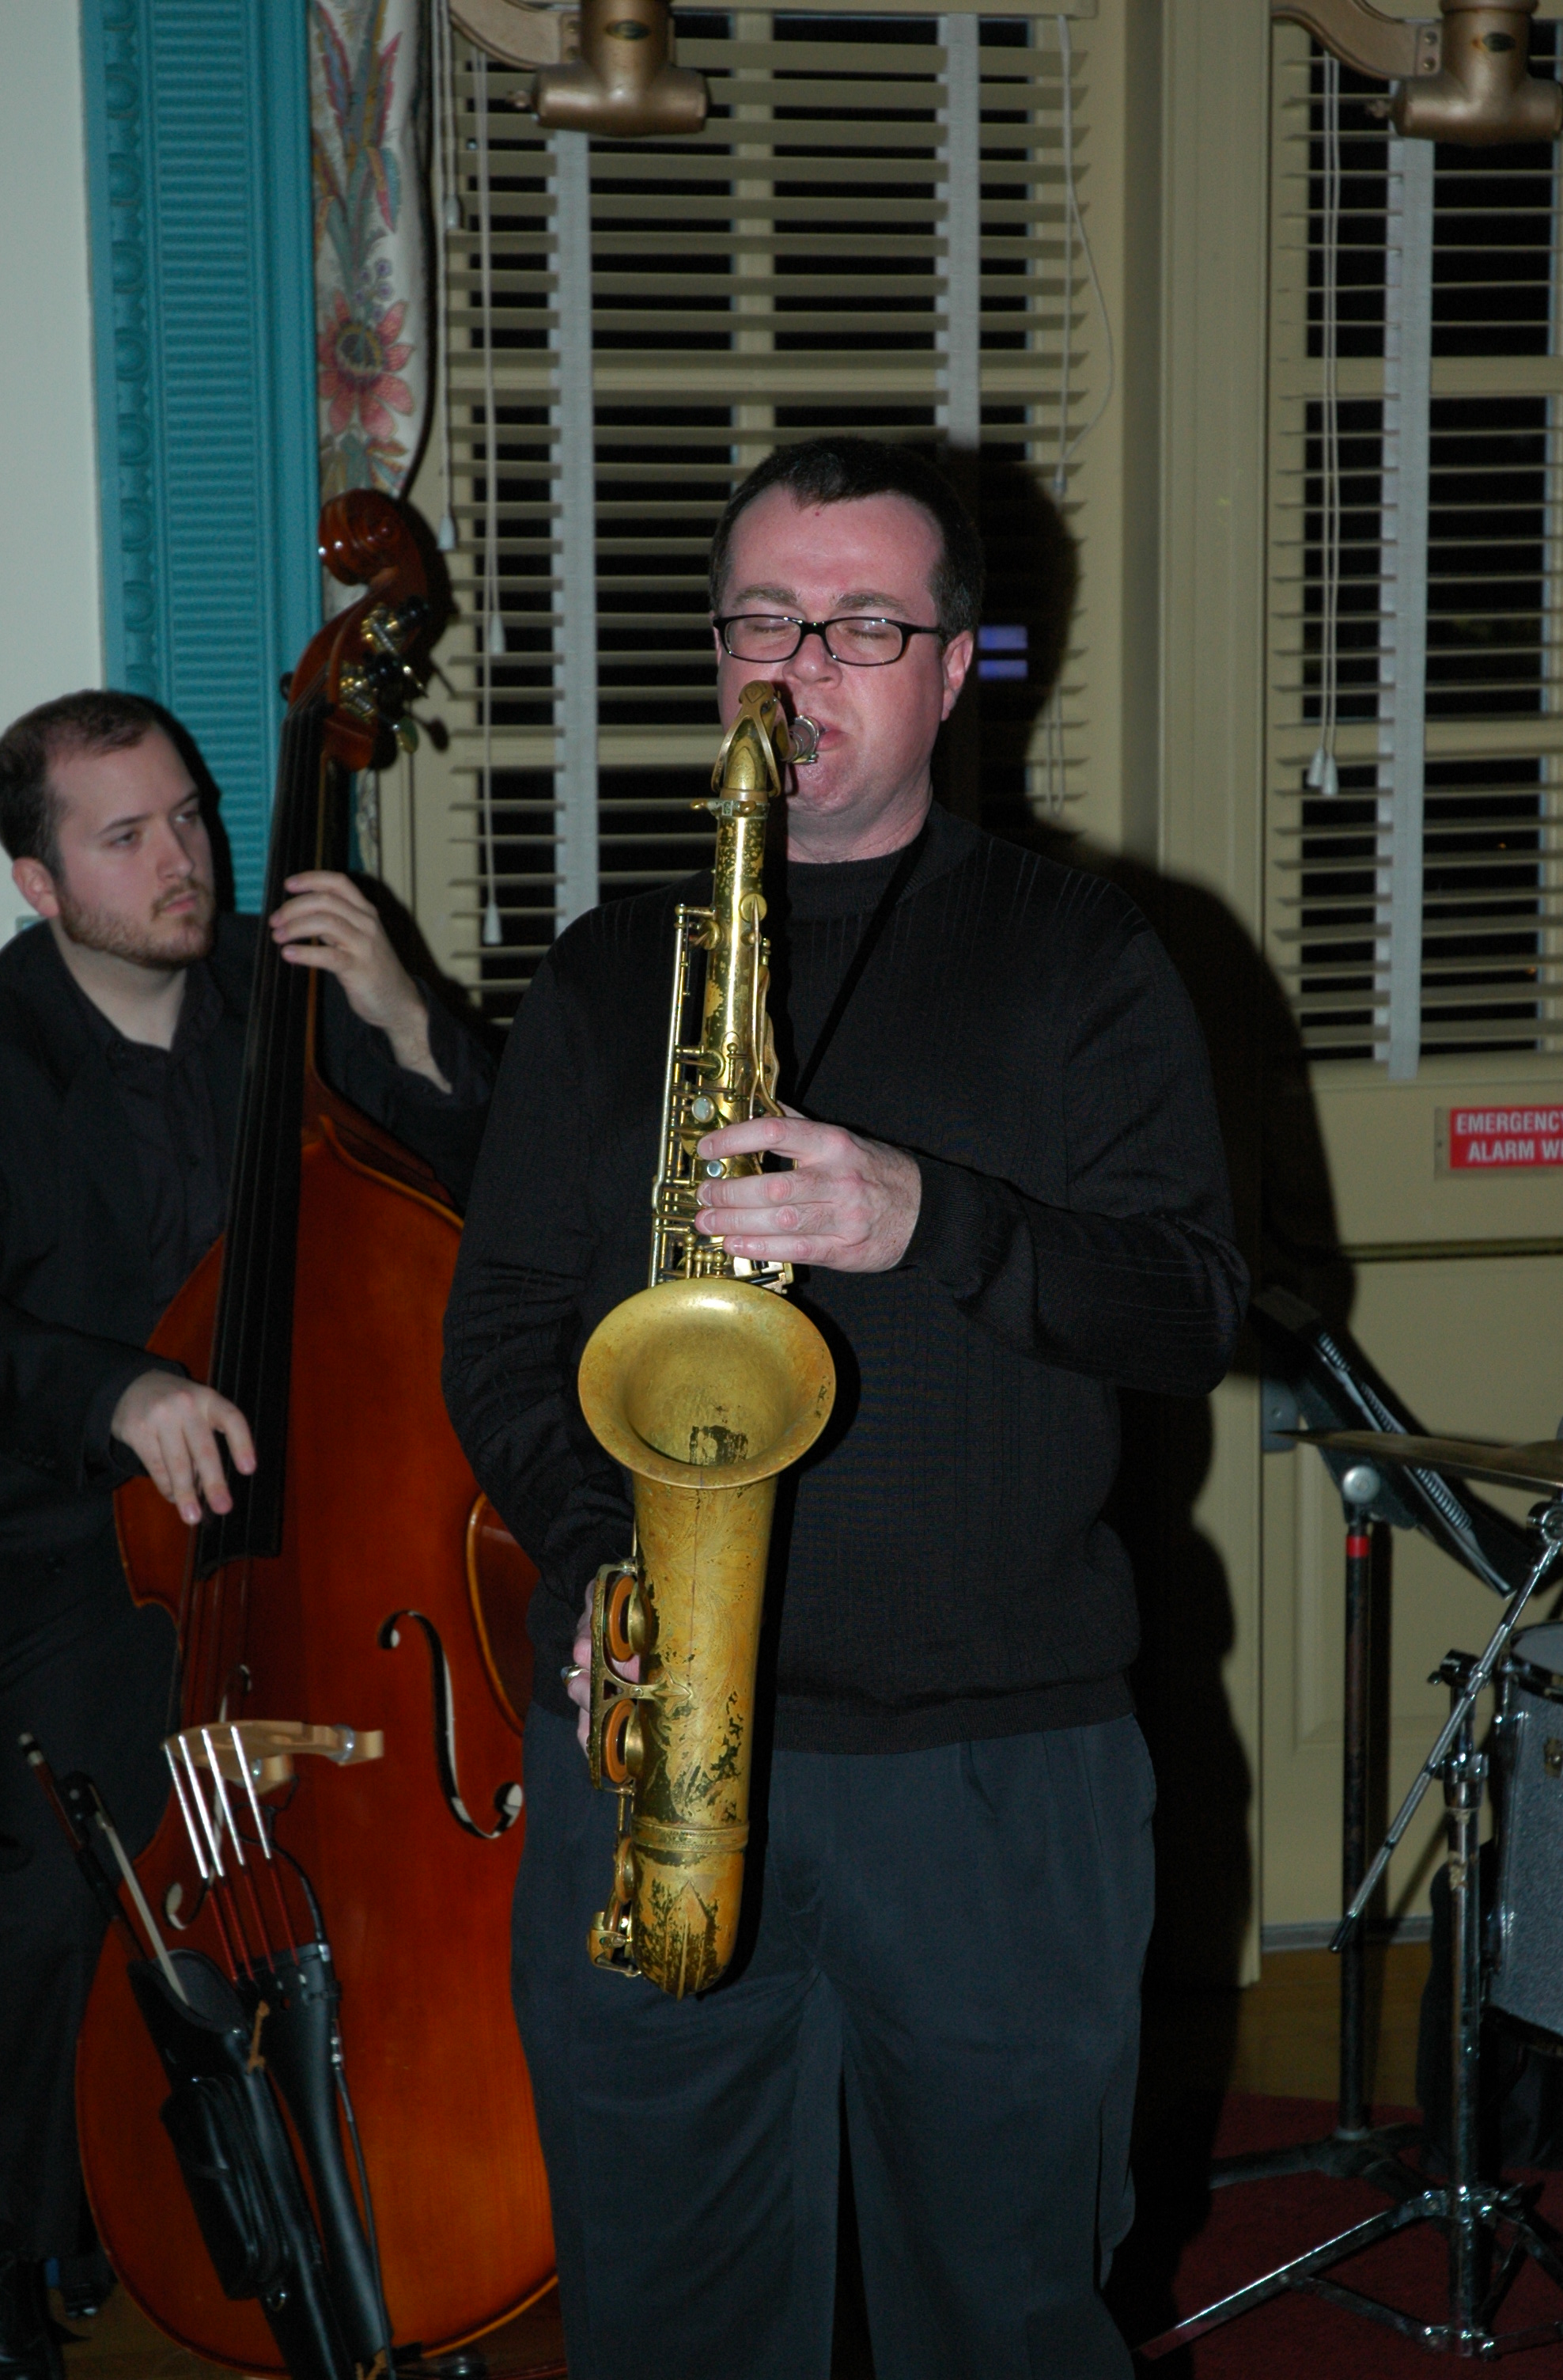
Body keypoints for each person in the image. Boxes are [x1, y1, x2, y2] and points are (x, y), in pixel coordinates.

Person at [441, 438, 1248, 2380]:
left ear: (956, 668)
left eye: (864, 626)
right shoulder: (608, 972)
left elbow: (1191, 1307)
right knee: (667, 2322)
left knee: (1005, 2319)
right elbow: (507, 1333)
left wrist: (924, 1218)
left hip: (992, 1776)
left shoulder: (1086, 957)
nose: (802, 667)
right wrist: (601, 1552)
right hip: (654, 1743)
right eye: (765, 621)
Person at [0, 690, 494, 2380]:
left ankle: (447, 2183)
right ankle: (7, 2255)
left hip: (328, 1529)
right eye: (127, 836)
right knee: (64, 1893)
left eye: (191, 816)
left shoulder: (297, 987)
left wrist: (407, 1013)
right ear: (40, 884)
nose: (184, 858)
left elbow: (488, 1188)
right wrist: (117, 1391)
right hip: (84, 1548)